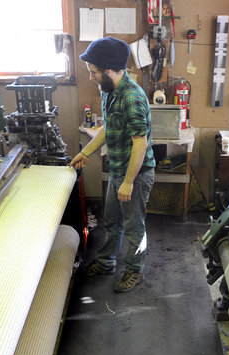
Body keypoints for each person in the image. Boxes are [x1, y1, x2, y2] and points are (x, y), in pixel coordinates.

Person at [70, 37, 156, 293]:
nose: (91, 77)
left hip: (136, 175)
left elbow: (140, 144)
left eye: (93, 72)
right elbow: (108, 128)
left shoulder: (132, 98)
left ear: (108, 70)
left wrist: (129, 182)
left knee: (134, 228)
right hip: (119, 170)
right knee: (112, 221)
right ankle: (107, 262)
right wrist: (85, 152)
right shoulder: (109, 91)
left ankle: (135, 270)